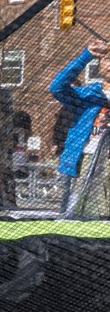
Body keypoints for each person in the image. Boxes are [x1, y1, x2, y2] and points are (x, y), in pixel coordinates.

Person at [50, 40, 110, 216]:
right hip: (87, 159)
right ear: (99, 63)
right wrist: (86, 56)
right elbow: (57, 87)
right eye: (107, 59)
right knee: (81, 214)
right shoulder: (87, 94)